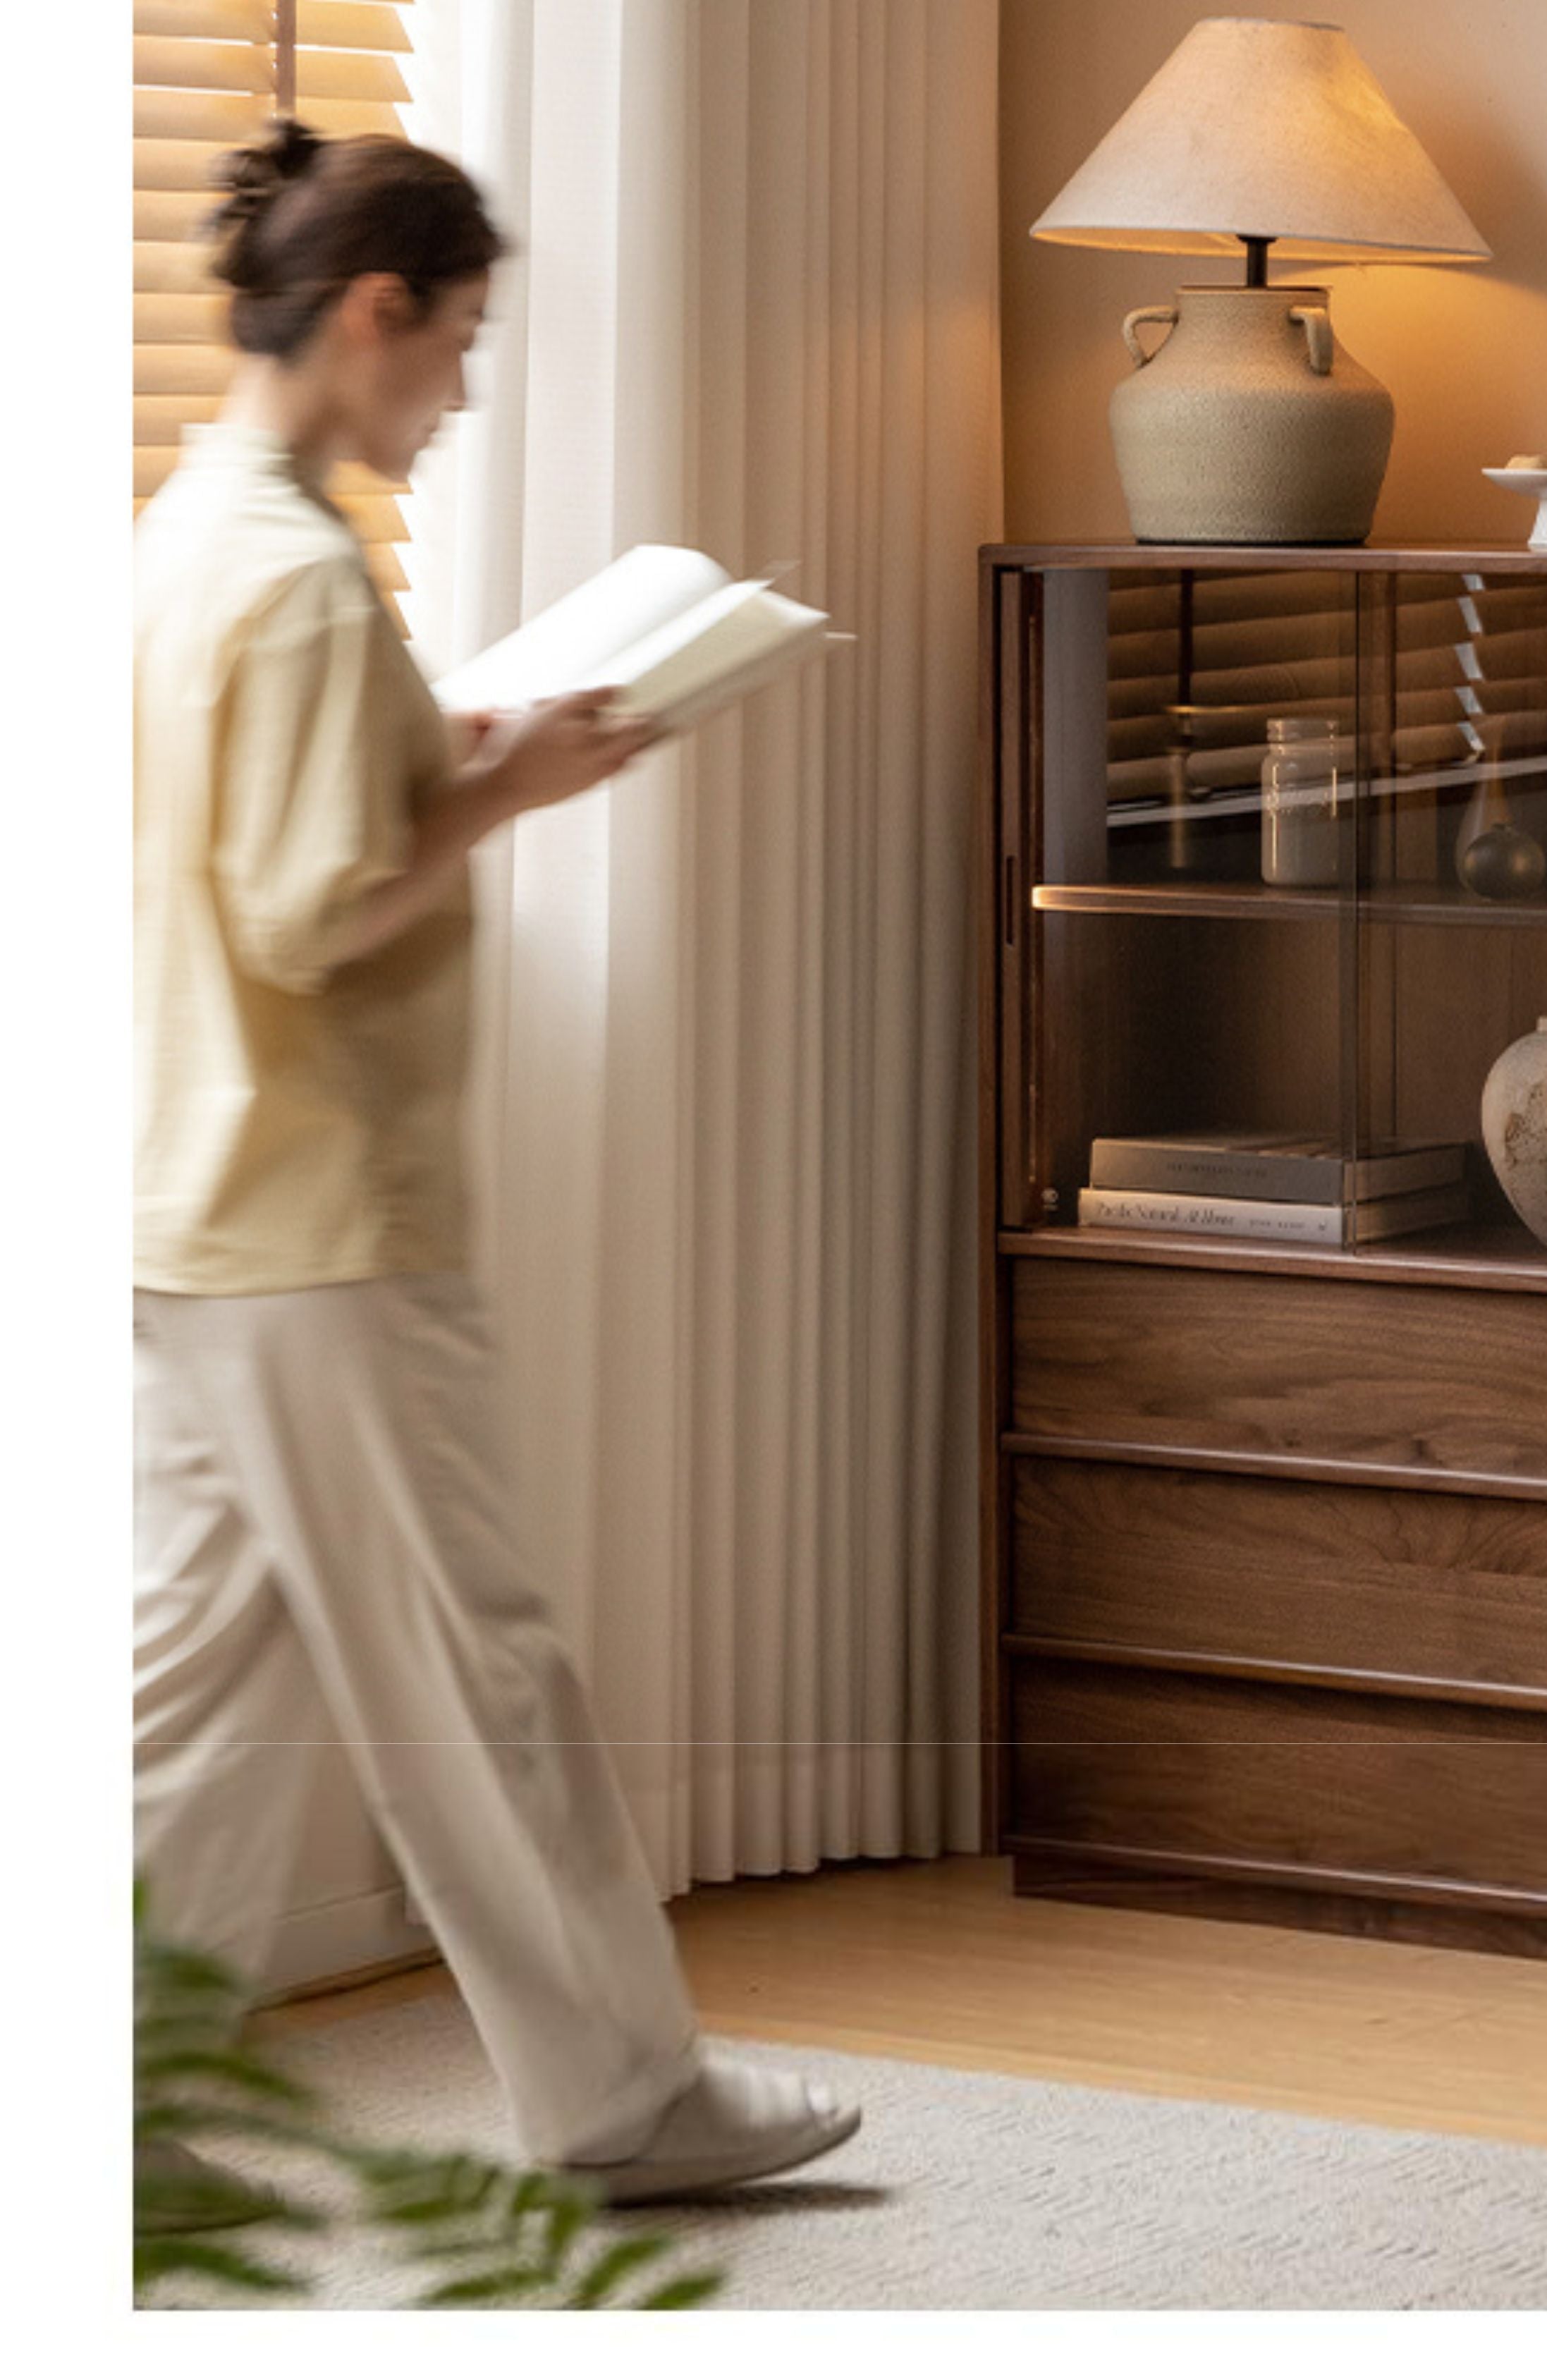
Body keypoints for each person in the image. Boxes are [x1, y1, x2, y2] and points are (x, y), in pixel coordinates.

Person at [133, 120, 860, 2209]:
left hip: (195, 1208)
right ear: (373, 313)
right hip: (323, 1223)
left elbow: (242, 850)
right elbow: (302, 914)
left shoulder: (199, 531)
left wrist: (426, 756)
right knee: (485, 1680)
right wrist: (511, 788)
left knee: (185, 1698)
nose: (459, 394)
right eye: (456, 345)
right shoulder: (287, 577)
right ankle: (624, 2100)